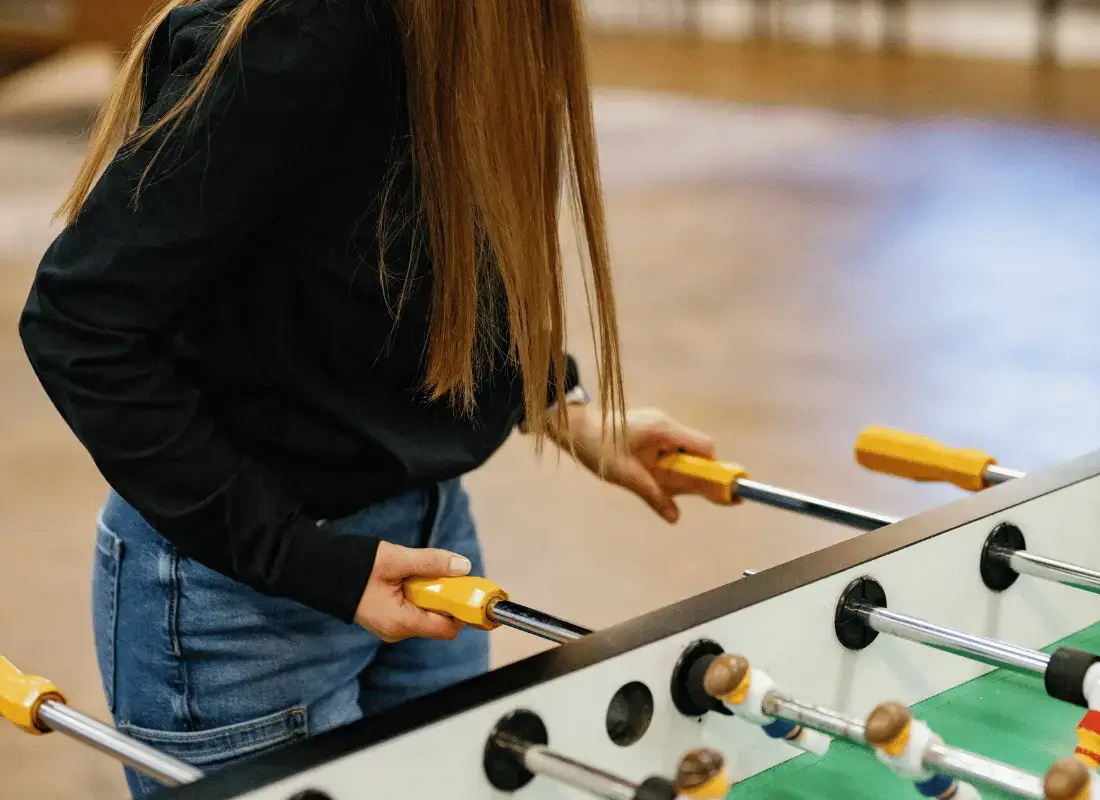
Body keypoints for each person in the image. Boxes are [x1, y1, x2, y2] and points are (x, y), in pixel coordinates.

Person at [17, 1, 716, 795]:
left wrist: (559, 402)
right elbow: (81, 322)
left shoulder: (479, 29)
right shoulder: (304, 32)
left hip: (423, 538)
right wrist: (303, 559)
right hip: (242, 601)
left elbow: (432, 248)